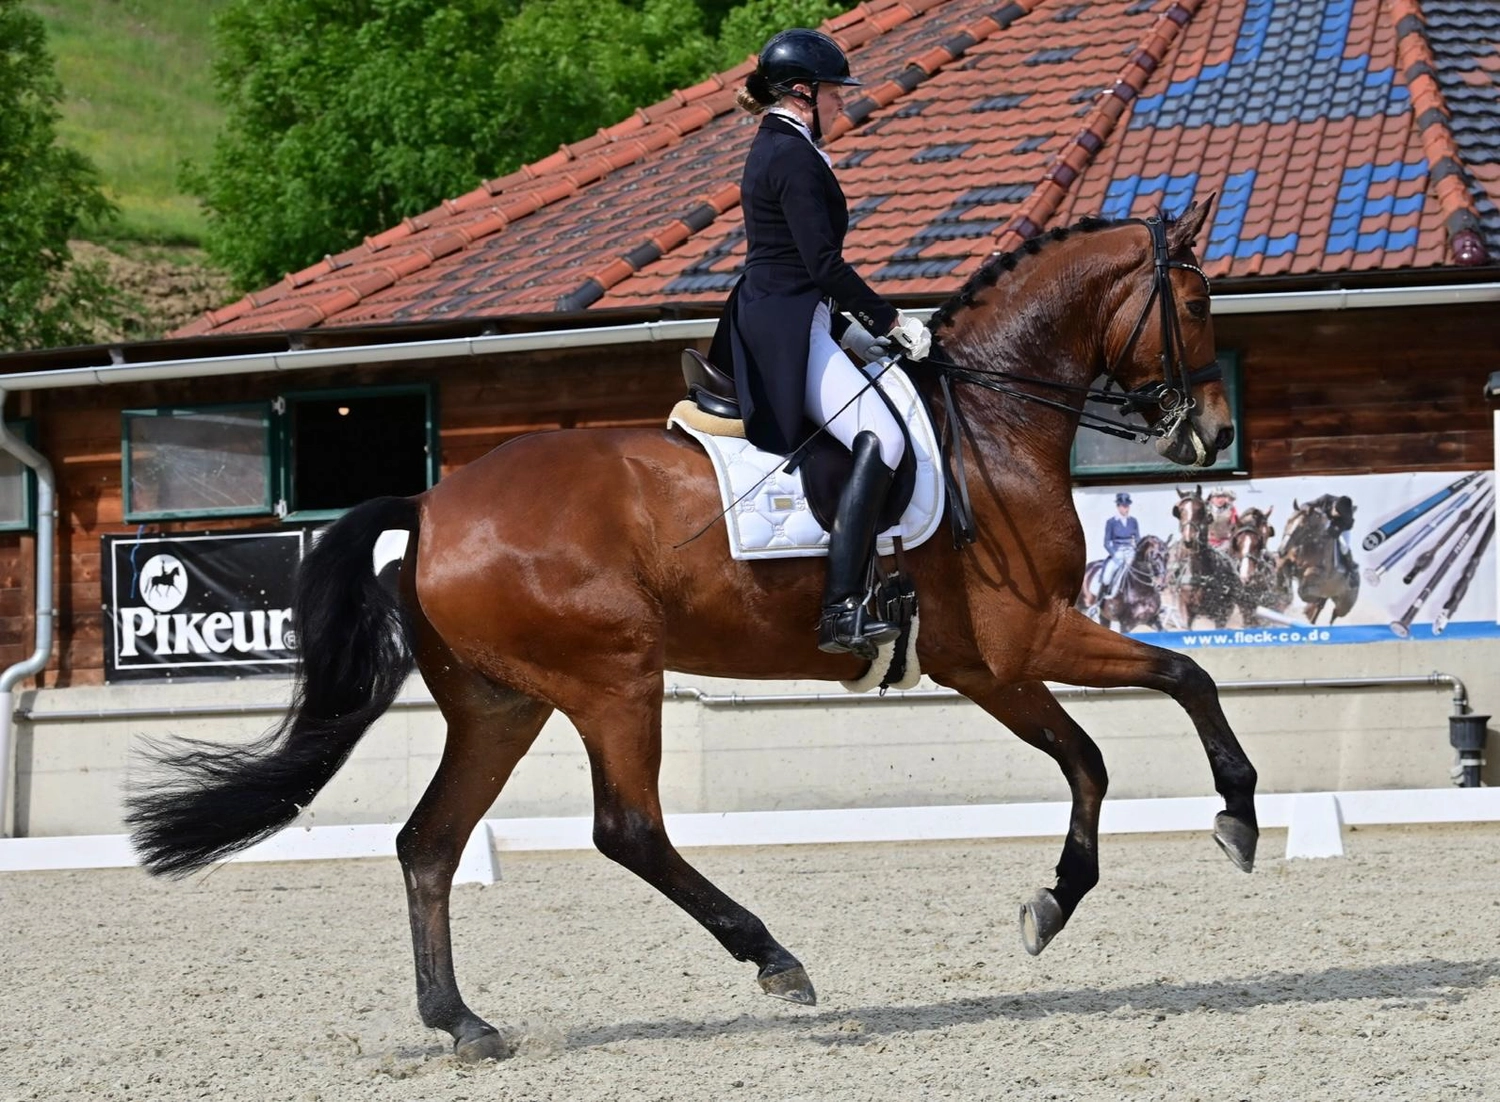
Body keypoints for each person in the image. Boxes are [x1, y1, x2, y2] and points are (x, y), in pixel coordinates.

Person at [709, 28, 934, 658]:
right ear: (804, 93)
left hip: (794, 310)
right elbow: (824, 264)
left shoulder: (783, 145)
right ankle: (841, 608)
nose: (843, 104)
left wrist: (853, 327)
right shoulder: (792, 156)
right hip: (787, 319)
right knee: (885, 437)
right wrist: (891, 323)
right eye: (835, 93)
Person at [1100, 492, 1139, 599]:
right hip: (1118, 552)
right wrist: (1114, 554)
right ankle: (1101, 600)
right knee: (1106, 576)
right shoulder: (1111, 522)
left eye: (1127, 506)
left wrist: (1137, 551)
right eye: (1123, 506)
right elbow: (1106, 542)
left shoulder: (1133, 521)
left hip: (1131, 552)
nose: (1126, 509)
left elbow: (1138, 539)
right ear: (1118, 507)